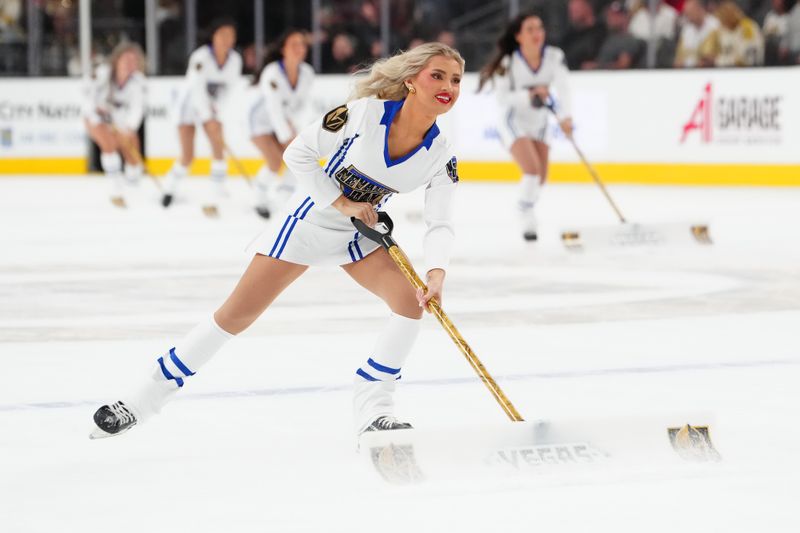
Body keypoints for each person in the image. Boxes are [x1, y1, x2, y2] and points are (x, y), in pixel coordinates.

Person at [90, 42, 464, 439]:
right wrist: (341, 202)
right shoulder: (363, 115)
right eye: (436, 75)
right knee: (235, 316)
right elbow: (298, 153)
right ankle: (142, 400)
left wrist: (436, 273)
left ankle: (374, 407)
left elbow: (439, 221)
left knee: (410, 303)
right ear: (410, 81)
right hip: (307, 223)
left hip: (360, 234)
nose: (448, 86)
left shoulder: (441, 153)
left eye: (455, 79)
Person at [478, 13, 573, 241]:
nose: (536, 33)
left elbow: (564, 87)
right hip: (513, 121)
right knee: (531, 170)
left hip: (539, 120)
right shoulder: (508, 62)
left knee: (541, 176)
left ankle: (527, 205)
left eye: (539, 28)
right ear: (519, 36)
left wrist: (565, 117)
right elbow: (502, 99)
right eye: (530, 29)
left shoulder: (553, 56)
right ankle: (525, 212)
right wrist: (529, 95)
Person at [161, 18, 243, 212]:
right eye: (222, 34)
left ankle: (216, 192)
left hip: (211, 106)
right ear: (212, 37)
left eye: (230, 35)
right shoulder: (201, 57)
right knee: (188, 156)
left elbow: (228, 89)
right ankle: (169, 189)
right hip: (188, 106)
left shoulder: (235, 61)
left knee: (218, 144)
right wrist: (207, 116)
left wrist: (215, 111)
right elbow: (196, 90)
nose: (226, 39)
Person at [248, 29, 315, 219]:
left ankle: (284, 197)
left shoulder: (307, 73)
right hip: (259, 121)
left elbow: (304, 106)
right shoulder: (272, 73)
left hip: (285, 120)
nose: (299, 49)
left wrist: (298, 130)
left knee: (296, 156)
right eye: (293, 44)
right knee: (275, 161)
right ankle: (258, 198)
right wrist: (288, 137)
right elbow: (273, 109)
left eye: (302, 44)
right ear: (283, 49)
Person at [82, 42, 147, 207]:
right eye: (126, 59)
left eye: (134, 60)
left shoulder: (138, 82)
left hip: (121, 122)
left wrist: (129, 128)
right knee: (108, 143)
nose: (130, 63)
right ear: (117, 59)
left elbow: (137, 109)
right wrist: (96, 116)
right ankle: (115, 187)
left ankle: (133, 188)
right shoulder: (102, 74)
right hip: (96, 118)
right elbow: (88, 98)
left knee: (133, 150)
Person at [674, 0, 720, 67]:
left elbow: (711, 56)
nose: (688, 17)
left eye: (690, 13)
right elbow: (679, 57)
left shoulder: (715, 26)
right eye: (687, 14)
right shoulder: (687, 29)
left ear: (700, 9)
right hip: (686, 72)